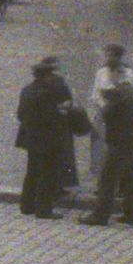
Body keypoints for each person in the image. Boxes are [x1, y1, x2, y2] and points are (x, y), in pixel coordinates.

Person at [15, 56, 84, 219]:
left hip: (31, 139)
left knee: (32, 171)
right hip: (49, 139)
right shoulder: (48, 92)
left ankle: (26, 205)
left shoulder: (27, 90)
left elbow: (20, 114)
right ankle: (43, 209)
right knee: (48, 173)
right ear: (47, 75)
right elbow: (52, 116)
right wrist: (61, 111)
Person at [86, 80, 133, 226]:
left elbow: (106, 114)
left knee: (107, 178)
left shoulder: (116, 97)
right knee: (130, 179)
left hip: (120, 143)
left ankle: (100, 215)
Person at [86, 44, 133, 180]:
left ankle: (117, 181)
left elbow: (126, 93)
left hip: (118, 115)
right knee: (99, 148)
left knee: (116, 148)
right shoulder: (101, 72)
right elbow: (95, 94)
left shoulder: (127, 72)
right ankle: (102, 180)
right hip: (103, 113)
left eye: (109, 55)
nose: (106, 58)